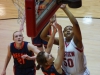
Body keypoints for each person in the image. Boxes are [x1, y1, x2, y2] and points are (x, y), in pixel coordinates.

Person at [40, 4, 90, 75]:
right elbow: (43, 36)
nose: (68, 30)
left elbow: (75, 23)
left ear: (74, 32)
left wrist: (65, 8)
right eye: (66, 30)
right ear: (63, 33)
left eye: (70, 29)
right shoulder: (61, 42)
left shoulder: (77, 41)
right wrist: (50, 23)